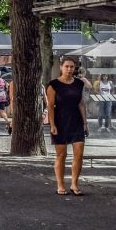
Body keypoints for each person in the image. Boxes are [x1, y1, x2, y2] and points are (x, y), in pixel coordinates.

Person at [47, 57, 88, 196]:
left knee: (79, 154)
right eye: (67, 66)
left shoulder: (78, 84)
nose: (69, 69)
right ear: (61, 67)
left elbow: (81, 103)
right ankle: (60, 185)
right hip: (59, 122)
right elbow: (50, 106)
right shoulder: (53, 85)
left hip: (76, 122)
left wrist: (85, 123)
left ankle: (74, 184)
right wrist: (52, 125)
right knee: (61, 155)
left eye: (72, 67)